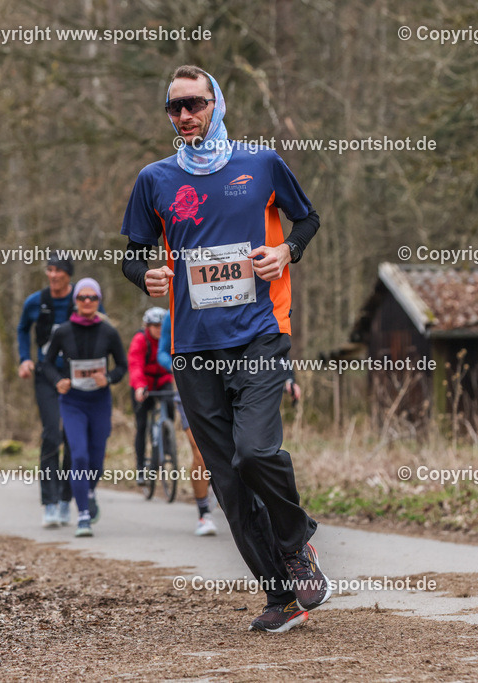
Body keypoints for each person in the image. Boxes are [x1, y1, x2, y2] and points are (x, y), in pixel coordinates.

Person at [120, 65, 328, 632]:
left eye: (195, 103)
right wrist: (148, 276)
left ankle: (297, 541)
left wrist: (286, 252)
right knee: (227, 480)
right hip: (191, 347)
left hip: (260, 333)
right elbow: (132, 254)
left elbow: (307, 218)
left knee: (255, 453)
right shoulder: (155, 179)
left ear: (217, 104)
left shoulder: (259, 164)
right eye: (175, 107)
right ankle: (281, 595)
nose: (185, 115)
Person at [42, 278, 127, 537]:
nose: (87, 302)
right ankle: (83, 516)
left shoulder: (109, 331)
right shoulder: (63, 331)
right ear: (75, 302)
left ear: (99, 300)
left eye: (92, 298)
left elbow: (122, 366)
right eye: (82, 298)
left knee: (96, 461)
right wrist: (59, 382)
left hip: (99, 401)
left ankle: (89, 491)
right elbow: (45, 364)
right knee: (78, 456)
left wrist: (109, 379)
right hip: (73, 402)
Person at [18, 252, 79, 528]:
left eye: (59, 271)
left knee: (72, 438)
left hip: (75, 376)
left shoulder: (81, 299)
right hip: (45, 375)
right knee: (52, 434)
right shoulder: (36, 301)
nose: (53, 275)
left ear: (69, 274)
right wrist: (24, 358)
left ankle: (66, 498)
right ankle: (50, 502)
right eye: (49, 270)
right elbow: (22, 329)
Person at [157, 311, 219, 536]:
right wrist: (175, 364)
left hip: (222, 386)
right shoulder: (172, 313)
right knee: (200, 452)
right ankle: (204, 514)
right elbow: (162, 352)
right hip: (188, 389)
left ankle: (219, 486)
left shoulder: (224, 300)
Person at [129, 307, 175, 483]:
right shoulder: (140, 340)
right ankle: (141, 467)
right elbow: (135, 365)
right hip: (143, 383)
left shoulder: (168, 338)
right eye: (154, 325)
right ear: (147, 326)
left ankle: (167, 437)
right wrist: (140, 387)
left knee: (170, 404)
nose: (158, 328)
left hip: (163, 379)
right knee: (141, 425)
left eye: (161, 325)